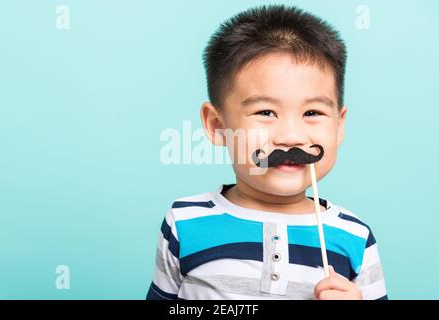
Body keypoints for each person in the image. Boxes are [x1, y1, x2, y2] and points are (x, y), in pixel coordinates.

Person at [146, 4, 387, 300]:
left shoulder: (355, 237)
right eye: (266, 112)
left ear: (339, 126)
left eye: (312, 112)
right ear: (217, 125)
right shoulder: (184, 223)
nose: (291, 137)